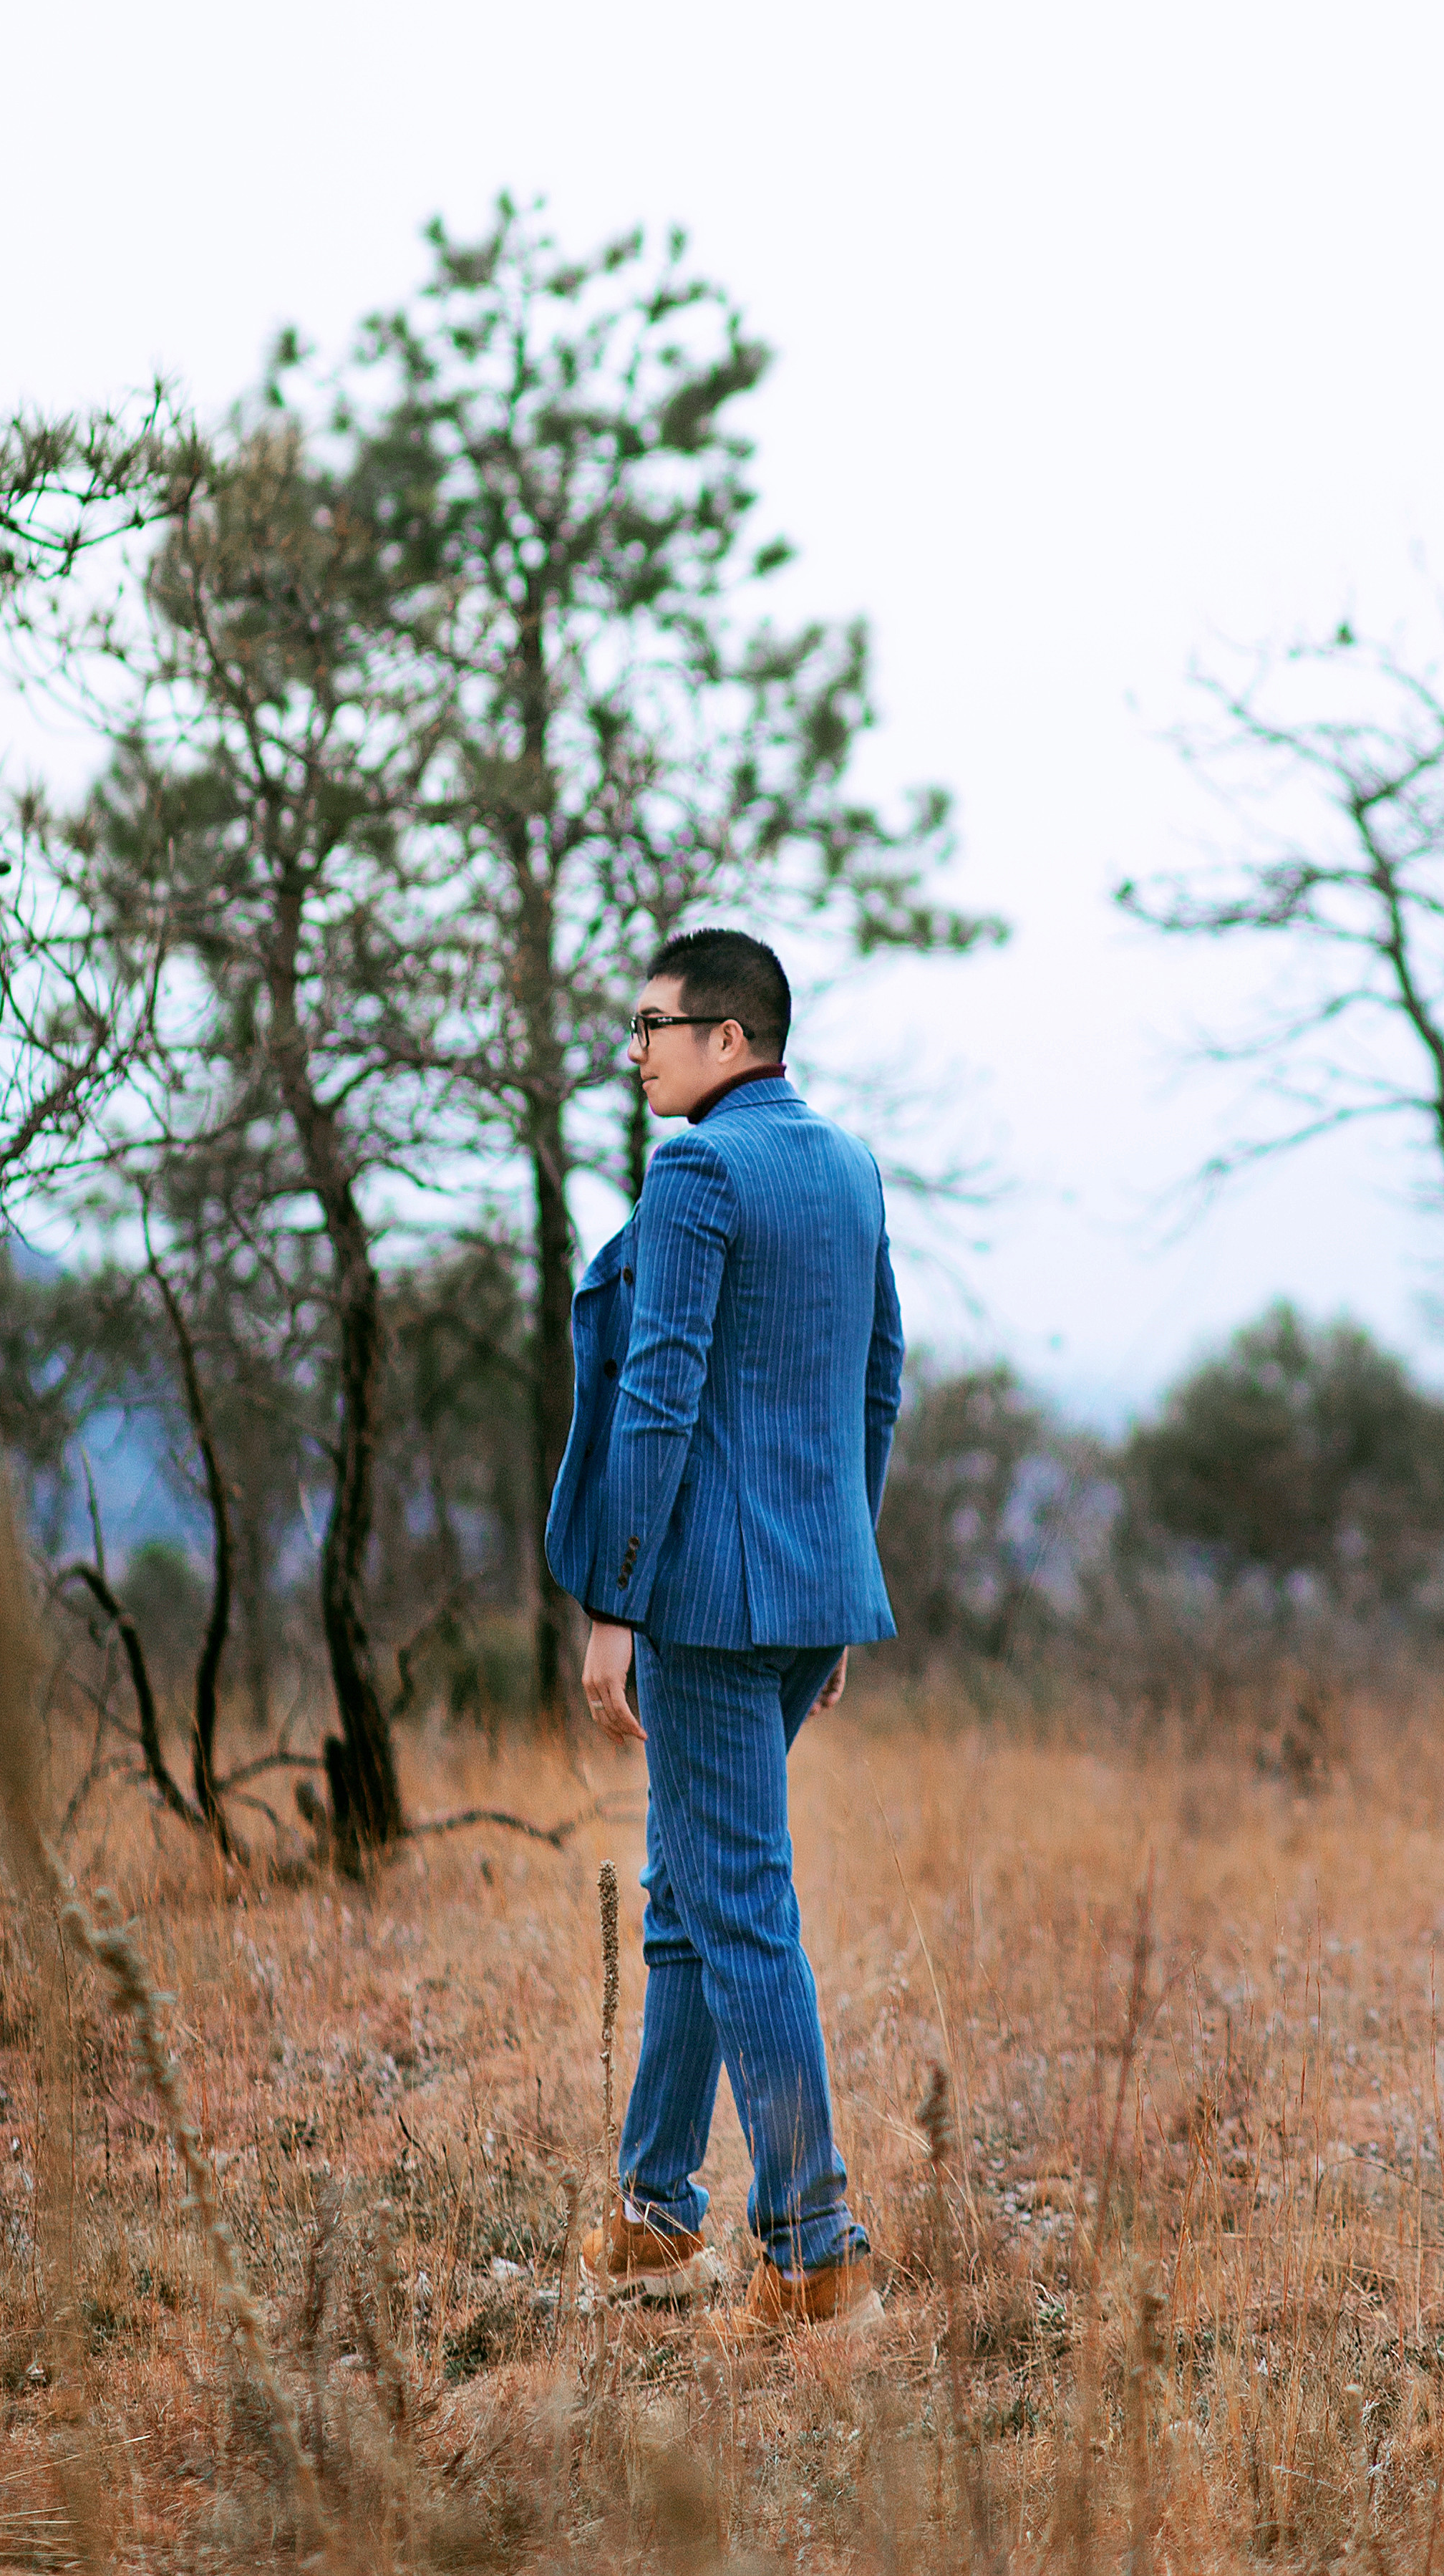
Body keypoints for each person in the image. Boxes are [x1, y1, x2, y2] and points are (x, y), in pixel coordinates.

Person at [546, 926, 903, 2329]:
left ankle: (813, 2247)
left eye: (653, 1025)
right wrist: (839, 1579)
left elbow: (658, 1395)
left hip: (703, 1601)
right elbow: (878, 1384)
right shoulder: (850, 1165)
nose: (635, 1050)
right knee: (689, 1890)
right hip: (810, 1593)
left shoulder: (696, 1169)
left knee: (737, 1901)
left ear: (730, 1039)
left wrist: (614, 1602)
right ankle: (655, 2208)